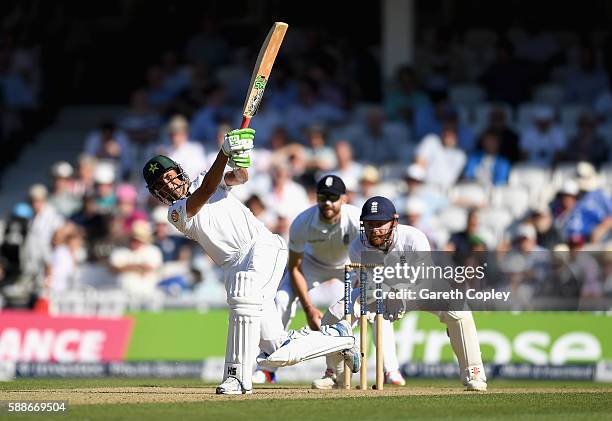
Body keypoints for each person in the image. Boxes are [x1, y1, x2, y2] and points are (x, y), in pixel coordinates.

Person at [142, 127, 360, 395]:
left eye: (170, 178)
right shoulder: (175, 213)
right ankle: (338, 337)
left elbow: (240, 177)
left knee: (243, 294)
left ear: (179, 172)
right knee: (277, 351)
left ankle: (237, 377)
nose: (170, 186)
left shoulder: (204, 178)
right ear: (158, 194)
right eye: (162, 186)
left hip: (261, 246)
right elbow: (206, 191)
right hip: (233, 264)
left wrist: (239, 158)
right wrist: (224, 152)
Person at [316, 196, 488, 391]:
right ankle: (336, 376)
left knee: (460, 312)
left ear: (394, 222)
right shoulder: (357, 245)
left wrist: (400, 294)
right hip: (381, 291)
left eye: (381, 223)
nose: (375, 229)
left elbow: (423, 279)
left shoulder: (413, 237)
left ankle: (474, 374)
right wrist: (384, 297)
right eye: (370, 224)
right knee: (334, 316)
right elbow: (368, 285)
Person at [253, 175, 406, 387]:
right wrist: (308, 309)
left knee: (374, 306)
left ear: (343, 198)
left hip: (351, 264)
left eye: (333, 197)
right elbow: (294, 267)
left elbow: (370, 252)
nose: (327, 202)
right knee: (281, 298)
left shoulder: (355, 218)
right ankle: (267, 369)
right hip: (312, 264)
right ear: (316, 198)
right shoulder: (302, 222)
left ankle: (391, 370)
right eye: (322, 197)